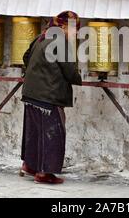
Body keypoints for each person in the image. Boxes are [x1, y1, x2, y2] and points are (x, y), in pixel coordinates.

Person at [19, 11, 82, 184]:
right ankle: (45, 173)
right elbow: (69, 71)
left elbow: (26, 57)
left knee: (35, 132)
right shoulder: (61, 41)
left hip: (31, 93)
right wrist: (79, 79)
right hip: (48, 96)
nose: (76, 33)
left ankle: (30, 166)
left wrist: (38, 71)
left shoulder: (41, 37)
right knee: (53, 134)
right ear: (63, 27)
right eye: (75, 28)